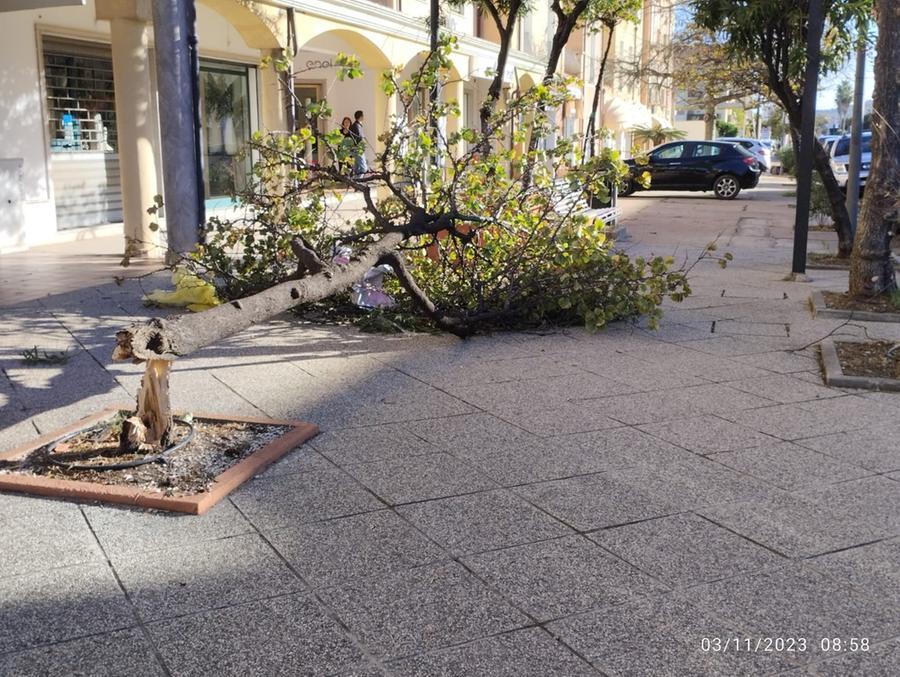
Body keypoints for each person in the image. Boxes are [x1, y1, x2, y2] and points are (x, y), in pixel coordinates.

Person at [349, 110, 368, 176]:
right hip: (357, 150)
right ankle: (358, 183)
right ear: (361, 116)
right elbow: (359, 138)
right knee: (363, 168)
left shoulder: (357, 125)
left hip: (356, 150)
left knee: (357, 168)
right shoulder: (357, 126)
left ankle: (356, 183)